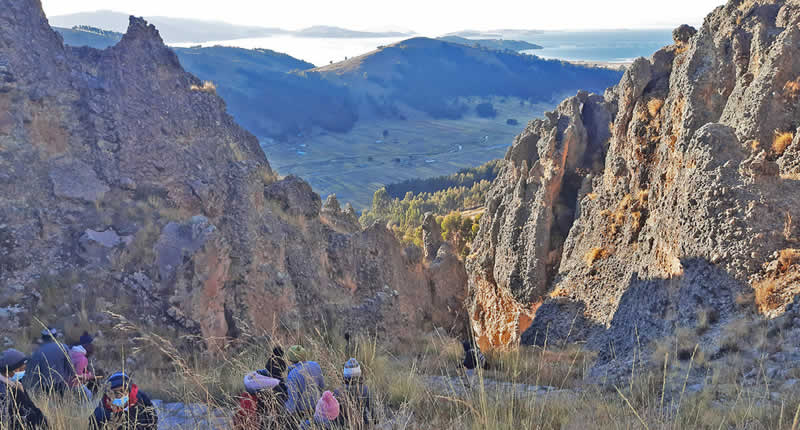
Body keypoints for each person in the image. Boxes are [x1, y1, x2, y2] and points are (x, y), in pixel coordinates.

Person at [89, 372, 157, 430]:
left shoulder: (140, 400)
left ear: (128, 391)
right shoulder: (101, 412)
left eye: (122, 391)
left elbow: (152, 420)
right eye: (115, 392)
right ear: (109, 393)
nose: (119, 395)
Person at [0, 349, 48, 429]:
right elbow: (23, 416)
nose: (23, 372)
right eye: (20, 369)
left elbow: (32, 409)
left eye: (24, 369)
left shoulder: (16, 384)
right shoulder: (3, 391)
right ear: (8, 371)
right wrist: (20, 394)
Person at [22, 328, 75, 395]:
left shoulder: (37, 352)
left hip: (45, 385)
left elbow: (34, 372)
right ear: (55, 336)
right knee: (61, 400)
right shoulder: (63, 347)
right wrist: (73, 375)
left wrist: (34, 387)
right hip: (62, 382)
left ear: (43, 337)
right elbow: (70, 365)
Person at [333, 358, 375, 429]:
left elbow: (333, 414)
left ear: (345, 375)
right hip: (361, 425)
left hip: (343, 426)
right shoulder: (365, 390)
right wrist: (375, 420)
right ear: (359, 374)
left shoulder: (337, 391)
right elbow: (372, 411)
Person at [284, 345, 325, 418]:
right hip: (317, 407)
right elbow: (322, 386)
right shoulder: (315, 365)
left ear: (290, 359)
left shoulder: (292, 375)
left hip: (302, 413)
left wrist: (285, 415)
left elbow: (292, 401)